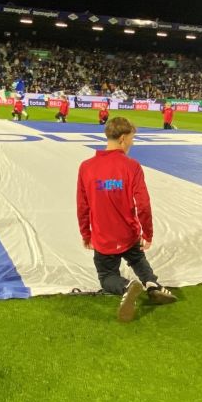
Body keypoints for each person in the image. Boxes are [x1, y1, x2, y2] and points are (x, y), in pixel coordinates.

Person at [76, 117, 177, 322]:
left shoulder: (86, 167)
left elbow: (82, 205)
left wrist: (86, 233)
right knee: (137, 258)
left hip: (104, 236)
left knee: (106, 277)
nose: (132, 143)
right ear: (123, 138)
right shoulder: (132, 166)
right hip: (128, 233)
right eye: (132, 138)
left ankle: (126, 286)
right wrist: (147, 233)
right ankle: (151, 284)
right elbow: (144, 204)